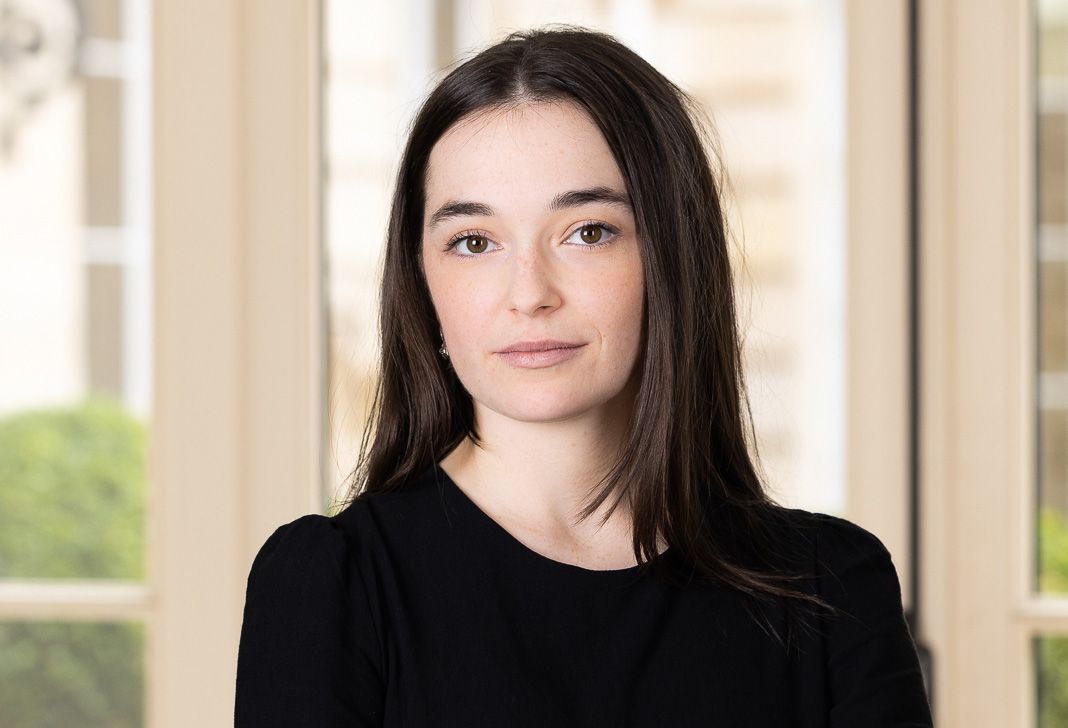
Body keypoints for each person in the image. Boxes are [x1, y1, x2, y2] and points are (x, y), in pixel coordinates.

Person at [235, 26, 933, 727]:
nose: (529, 293)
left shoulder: (830, 589)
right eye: (473, 242)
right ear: (422, 284)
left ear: (671, 258)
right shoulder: (331, 586)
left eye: (588, 232)